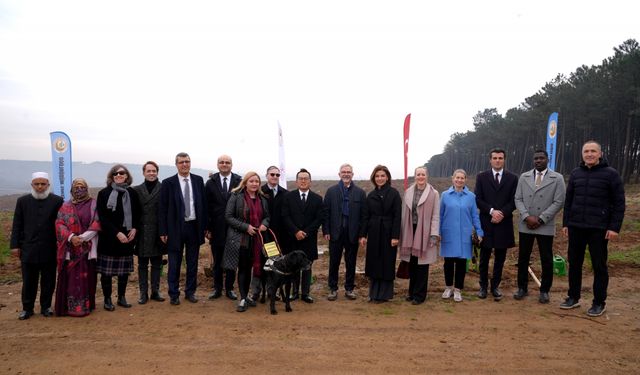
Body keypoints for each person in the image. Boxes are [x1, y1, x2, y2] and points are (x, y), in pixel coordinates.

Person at [561, 141, 625, 317]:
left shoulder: (611, 174)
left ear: (600, 154)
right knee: (574, 264)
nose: (589, 154)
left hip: (599, 228)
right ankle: (573, 297)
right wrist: (566, 223)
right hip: (576, 227)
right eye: (586, 151)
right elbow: (569, 201)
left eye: (593, 151)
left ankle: (599, 302)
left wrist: (614, 227)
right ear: (582, 154)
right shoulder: (575, 173)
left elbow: (619, 203)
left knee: (599, 266)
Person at [514, 150, 566, 303]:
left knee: (546, 258)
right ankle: (522, 288)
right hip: (526, 225)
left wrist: (541, 219)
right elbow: (518, 198)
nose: (538, 161)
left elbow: (559, 202)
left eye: (541, 158)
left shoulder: (557, 178)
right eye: (536, 158)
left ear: (547, 160)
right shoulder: (524, 177)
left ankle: (544, 290)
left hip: (545, 225)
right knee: (523, 258)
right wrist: (526, 217)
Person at [10, 172, 63, 320]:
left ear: (48, 185)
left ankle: (46, 307)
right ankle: (27, 308)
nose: (40, 187)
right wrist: (15, 245)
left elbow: (61, 225)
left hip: (50, 248)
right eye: (37, 184)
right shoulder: (22, 201)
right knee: (28, 281)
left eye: (43, 184)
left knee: (48, 280)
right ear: (32, 185)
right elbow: (17, 224)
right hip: (28, 248)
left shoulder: (57, 201)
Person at [159, 152, 208, 305]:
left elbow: (203, 205)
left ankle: (190, 292)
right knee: (174, 263)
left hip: (194, 227)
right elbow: (162, 208)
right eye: (181, 162)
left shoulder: (198, 180)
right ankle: (174, 294)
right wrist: (163, 230)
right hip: (175, 228)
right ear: (176, 164)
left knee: (193, 262)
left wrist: (205, 227)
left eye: (187, 161)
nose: (185, 164)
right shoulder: (168, 183)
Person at [222, 171, 270, 312]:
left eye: (257, 181)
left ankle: (249, 295)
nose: (254, 184)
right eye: (251, 181)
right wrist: (246, 227)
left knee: (256, 267)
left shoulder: (263, 199)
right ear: (245, 182)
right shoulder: (236, 196)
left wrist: (264, 224)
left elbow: (267, 216)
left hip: (258, 241)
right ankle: (243, 298)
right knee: (243, 269)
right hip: (242, 240)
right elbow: (228, 217)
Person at [474, 148, 518, 301]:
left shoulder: (513, 178)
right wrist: (492, 211)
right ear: (490, 160)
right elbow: (478, 199)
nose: (497, 160)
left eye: (500, 158)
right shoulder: (481, 177)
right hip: (486, 222)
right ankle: (483, 287)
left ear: (504, 160)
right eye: (495, 158)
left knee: (500, 258)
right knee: (484, 258)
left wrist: (502, 213)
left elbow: (514, 200)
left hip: (504, 223)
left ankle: (495, 287)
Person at [96, 164, 141, 311]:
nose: (119, 175)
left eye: (122, 173)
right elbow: (102, 218)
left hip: (127, 238)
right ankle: (107, 299)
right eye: (115, 174)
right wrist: (117, 233)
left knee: (123, 272)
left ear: (127, 175)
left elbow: (138, 214)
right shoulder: (103, 193)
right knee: (106, 273)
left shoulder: (132, 194)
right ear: (112, 176)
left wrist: (135, 228)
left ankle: (121, 297)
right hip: (109, 238)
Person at [54, 178, 101, 317]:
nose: (79, 189)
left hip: (87, 247)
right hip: (70, 248)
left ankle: (86, 306)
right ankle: (68, 307)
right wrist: (71, 237)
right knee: (70, 279)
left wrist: (82, 238)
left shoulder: (93, 204)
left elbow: (97, 223)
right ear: (72, 189)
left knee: (87, 277)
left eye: (82, 187)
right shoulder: (65, 206)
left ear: (87, 188)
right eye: (76, 187)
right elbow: (59, 224)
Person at [323, 163, 366, 301]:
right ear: (339, 174)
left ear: (352, 175)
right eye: (343, 172)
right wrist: (326, 230)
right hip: (335, 233)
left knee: (351, 262)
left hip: (352, 233)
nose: (346, 174)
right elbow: (326, 213)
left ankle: (349, 289)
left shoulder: (360, 193)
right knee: (334, 262)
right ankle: (333, 289)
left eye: (348, 172)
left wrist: (362, 234)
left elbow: (364, 216)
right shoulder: (331, 191)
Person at [359, 165, 401, 303]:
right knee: (374, 262)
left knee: (387, 262)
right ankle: (374, 294)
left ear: (387, 177)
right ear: (373, 178)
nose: (380, 178)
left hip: (389, 233)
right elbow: (365, 217)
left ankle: (384, 295)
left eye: (382, 176)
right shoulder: (370, 196)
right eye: (377, 176)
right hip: (374, 232)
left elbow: (397, 216)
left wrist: (395, 236)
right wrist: (363, 235)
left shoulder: (394, 193)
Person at [439, 169, 483, 302]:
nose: (459, 180)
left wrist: (479, 231)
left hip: (464, 234)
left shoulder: (471, 196)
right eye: (457, 177)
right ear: (453, 179)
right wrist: (438, 232)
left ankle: (458, 289)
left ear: (465, 180)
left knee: (461, 263)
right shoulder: (445, 195)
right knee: (448, 263)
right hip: (448, 233)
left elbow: (475, 215)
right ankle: (448, 287)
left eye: (462, 178)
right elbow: (440, 215)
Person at [281, 168, 325, 303]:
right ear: (296, 181)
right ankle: (294, 292)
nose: (303, 181)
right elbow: (285, 216)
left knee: (307, 267)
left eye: (306, 178)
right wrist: (296, 231)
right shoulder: (288, 196)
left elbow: (319, 219)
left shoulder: (317, 199)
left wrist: (306, 232)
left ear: (310, 181)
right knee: (293, 267)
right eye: (301, 178)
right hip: (292, 238)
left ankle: (305, 293)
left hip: (308, 239)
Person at [399, 166, 440, 305]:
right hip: (410, 230)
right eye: (418, 174)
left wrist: (434, 234)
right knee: (412, 264)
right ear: (415, 176)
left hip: (425, 232)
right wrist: (401, 232)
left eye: (423, 174)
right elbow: (404, 214)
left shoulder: (434, 193)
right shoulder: (408, 192)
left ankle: (420, 295)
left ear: (427, 176)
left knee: (422, 264)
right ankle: (411, 292)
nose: (420, 177)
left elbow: (435, 215)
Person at [249, 166, 289, 301]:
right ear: (267, 176)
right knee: (258, 263)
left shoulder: (285, 193)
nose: (275, 177)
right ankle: (256, 291)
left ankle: (274, 291)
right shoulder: (260, 192)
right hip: (260, 235)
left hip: (277, 236)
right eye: (272, 174)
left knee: (274, 264)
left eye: (277, 175)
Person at [206, 154, 242, 301]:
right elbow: (206, 206)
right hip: (216, 228)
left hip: (234, 228)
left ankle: (229, 289)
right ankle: (217, 289)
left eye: (227, 162)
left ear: (231, 165)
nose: (224, 164)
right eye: (222, 162)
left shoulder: (239, 181)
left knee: (231, 261)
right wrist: (207, 228)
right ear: (217, 165)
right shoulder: (210, 183)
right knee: (217, 262)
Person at [133, 161, 166, 304]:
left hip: (159, 231)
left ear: (157, 172)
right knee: (142, 265)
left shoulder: (164, 188)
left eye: (154, 171)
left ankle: (155, 291)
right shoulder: (136, 190)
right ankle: (143, 293)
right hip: (142, 232)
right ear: (143, 173)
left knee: (157, 264)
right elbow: (134, 212)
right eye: (149, 171)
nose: (151, 173)